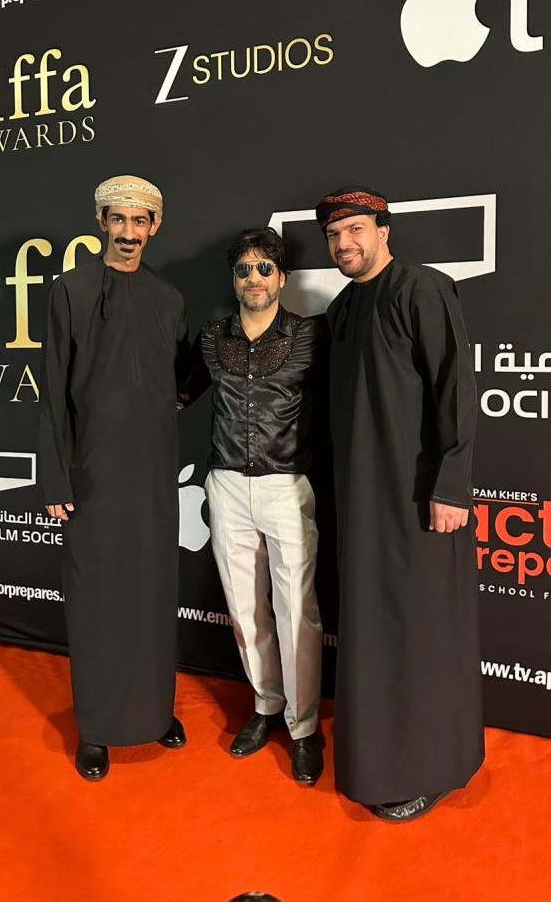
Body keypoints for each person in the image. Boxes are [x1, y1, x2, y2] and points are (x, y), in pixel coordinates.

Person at [316, 186, 484, 822]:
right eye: (334, 235)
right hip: (362, 505)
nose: (344, 244)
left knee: (421, 631)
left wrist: (451, 487)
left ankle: (432, 768)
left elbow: (456, 390)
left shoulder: (423, 289)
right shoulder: (342, 308)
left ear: (383, 231)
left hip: (419, 500)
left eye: (355, 230)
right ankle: (380, 761)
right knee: (374, 633)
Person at [39, 175, 188, 781]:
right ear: (101, 222)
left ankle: (155, 711)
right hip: (92, 473)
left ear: (155, 227)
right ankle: (97, 727)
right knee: (99, 599)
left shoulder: (169, 297)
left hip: (152, 475)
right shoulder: (69, 290)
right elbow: (53, 391)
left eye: (140, 221)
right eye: (119, 219)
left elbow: (175, 379)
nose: (129, 232)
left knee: (151, 592)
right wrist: (56, 480)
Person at [180, 228, 325, 785]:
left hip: (287, 485)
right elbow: (176, 393)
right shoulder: (212, 337)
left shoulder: (309, 336)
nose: (254, 278)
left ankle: (304, 726)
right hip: (225, 485)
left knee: (296, 611)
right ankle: (266, 705)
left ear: (282, 278)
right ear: (233, 279)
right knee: (244, 610)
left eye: (265, 268)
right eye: (244, 269)